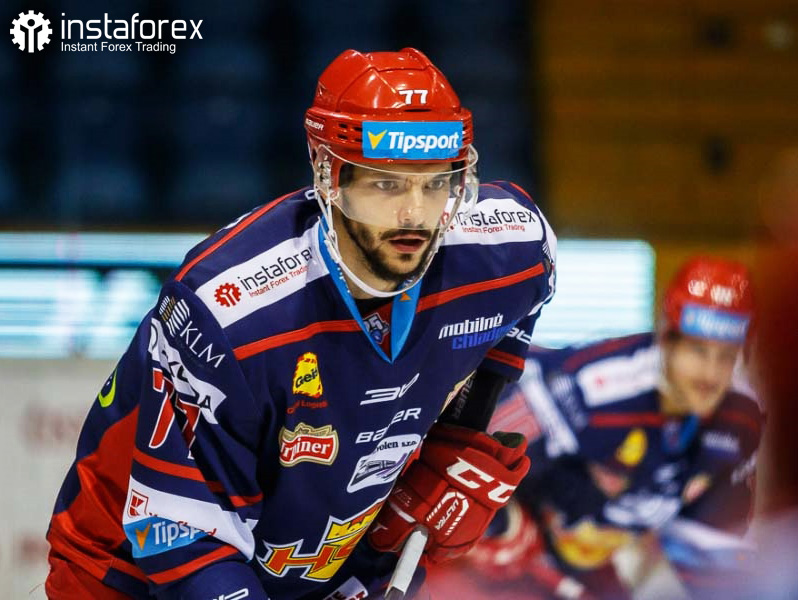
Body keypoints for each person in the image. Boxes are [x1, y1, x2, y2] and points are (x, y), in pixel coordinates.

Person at [45, 48, 556, 600]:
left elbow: (530, 288)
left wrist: (460, 431)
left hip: (315, 567)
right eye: (386, 184)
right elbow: (178, 536)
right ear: (328, 173)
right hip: (125, 574)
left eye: (435, 183)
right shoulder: (227, 311)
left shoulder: (510, 248)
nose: (414, 213)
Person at [425, 256, 762, 599]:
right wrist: (503, 525)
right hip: (485, 555)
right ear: (666, 337)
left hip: (582, 565)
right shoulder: (595, 390)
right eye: (698, 350)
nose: (711, 373)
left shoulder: (738, 426)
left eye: (726, 356)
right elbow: (466, 455)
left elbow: (709, 557)